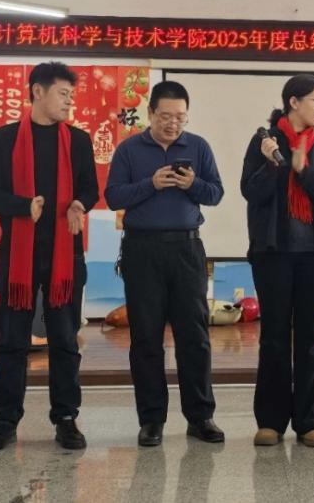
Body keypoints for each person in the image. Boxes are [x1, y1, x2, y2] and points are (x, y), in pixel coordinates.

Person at [0, 61, 99, 452]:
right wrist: (22, 207)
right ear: (37, 92)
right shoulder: (6, 138)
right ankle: (5, 420)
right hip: (19, 254)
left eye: (71, 95)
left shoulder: (77, 140)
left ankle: (65, 418)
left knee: (65, 339)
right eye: (63, 94)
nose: (69, 102)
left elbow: (90, 188)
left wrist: (79, 204)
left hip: (65, 256)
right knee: (12, 340)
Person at [106, 80, 226, 447]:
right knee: (146, 338)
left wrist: (192, 184)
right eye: (165, 116)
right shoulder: (129, 150)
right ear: (150, 113)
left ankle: (201, 417)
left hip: (187, 249)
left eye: (180, 117)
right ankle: (151, 420)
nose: (173, 124)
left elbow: (216, 194)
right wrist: (151, 184)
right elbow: (113, 197)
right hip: (142, 250)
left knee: (194, 336)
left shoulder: (198, 147)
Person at [241, 74, 314, 448]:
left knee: (310, 336)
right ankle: (270, 421)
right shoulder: (264, 142)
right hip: (272, 253)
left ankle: (310, 421)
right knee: (273, 336)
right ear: (293, 102)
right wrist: (275, 164)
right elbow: (250, 191)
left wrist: (304, 170)